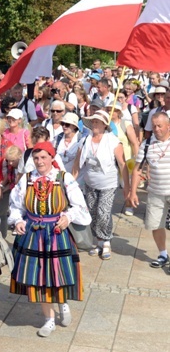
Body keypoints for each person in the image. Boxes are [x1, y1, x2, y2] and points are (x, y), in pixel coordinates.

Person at [9, 141, 91, 337]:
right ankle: (49, 320)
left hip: (56, 233)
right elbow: (15, 205)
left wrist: (67, 217)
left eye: (43, 157)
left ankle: (62, 302)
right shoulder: (26, 179)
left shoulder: (64, 178)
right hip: (33, 234)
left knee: (57, 274)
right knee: (39, 279)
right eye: (36, 158)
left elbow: (79, 205)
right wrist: (18, 220)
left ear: (52, 158)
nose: (39, 161)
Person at [72, 110, 130, 260]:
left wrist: (127, 187)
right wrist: (71, 183)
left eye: (97, 121)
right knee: (92, 213)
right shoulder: (84, 140)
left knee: (103, 213)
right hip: (90, 182)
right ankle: (98, 242)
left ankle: (106, 242)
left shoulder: (113, 141)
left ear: (105, 125)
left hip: (108, 183)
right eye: (93, 121)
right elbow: (77, 164)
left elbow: (122, 165)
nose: (94, 124)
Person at [130, 113, 170, 270]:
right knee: (155, 224)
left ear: (168, 126)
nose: (156, 129)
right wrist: (133, 193)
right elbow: (137, 170)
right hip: (155, 192)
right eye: (154, 125)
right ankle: (163, 254)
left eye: (160, 125)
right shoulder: (147, 144)